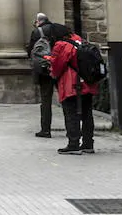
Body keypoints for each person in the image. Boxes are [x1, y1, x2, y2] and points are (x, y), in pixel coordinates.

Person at [47, 22, 100, 155]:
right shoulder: (79, 40)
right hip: (87, 82)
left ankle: (73, 144)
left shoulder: (61, 45)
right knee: (87, 114)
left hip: (71, 84)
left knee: (71, 114)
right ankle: (88, 144)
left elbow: (57, 66)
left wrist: (51, 69)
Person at [25, 12, 55, 138]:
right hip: (62, 67)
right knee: (68, 100)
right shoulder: (58, 30)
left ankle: (46, 129)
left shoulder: (37, 32)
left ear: (38, 21)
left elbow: (30, 51)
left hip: (45, 69)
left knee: (46, 99)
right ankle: (74, 129)